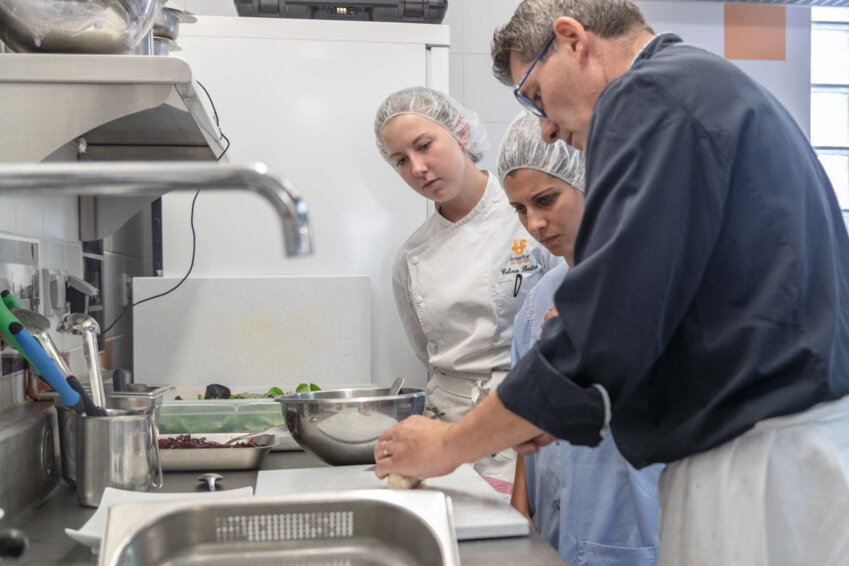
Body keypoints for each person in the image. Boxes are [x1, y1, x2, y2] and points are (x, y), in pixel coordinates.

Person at [374, 2, 849, 564]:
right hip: (788, 454)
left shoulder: (646, 96)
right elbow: (665, 312)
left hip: (754, 464)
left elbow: (607, 328)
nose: (546, 126)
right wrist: (551, 409)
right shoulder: (698, 86)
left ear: (573, 40)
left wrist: (448, 444)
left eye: (536, 95)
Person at [373, 86, 562, 487]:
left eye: (424, 145)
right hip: (444, 433)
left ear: (460, 131)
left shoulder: (536, 219)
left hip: (527, 428)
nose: (418, 168)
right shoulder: (410, 258)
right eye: (401, 160)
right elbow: (426, 352)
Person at [499, 111, 662, 566]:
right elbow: (525, 413)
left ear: (593, 182)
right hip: (556, 524)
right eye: (520, 209)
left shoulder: (645, 284)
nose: (534, 224)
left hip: (630, 526)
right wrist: (520, 507)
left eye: (545, 200)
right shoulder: (539, 299)